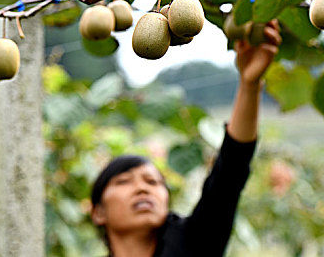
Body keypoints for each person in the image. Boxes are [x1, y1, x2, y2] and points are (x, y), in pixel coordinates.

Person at [90, 19, 282, 257]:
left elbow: (229, 175)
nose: (142, 189)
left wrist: (249, 84)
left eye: (152, 182)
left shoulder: (194, 243)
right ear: (98, 212)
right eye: (124, 181)